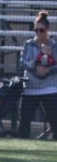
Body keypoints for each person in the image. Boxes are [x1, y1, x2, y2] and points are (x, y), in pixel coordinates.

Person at [18, 11, 57, 139]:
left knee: (54, 119)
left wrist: (48, 70)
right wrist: (36, 68)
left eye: (42, 30)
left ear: (47, 30)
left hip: (49, 87)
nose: (39, 33)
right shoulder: (28, 44)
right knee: (25, 120)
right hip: (31, 87)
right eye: (36, 30)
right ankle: (21, 145)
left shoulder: (54, 45)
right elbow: (23, 63)